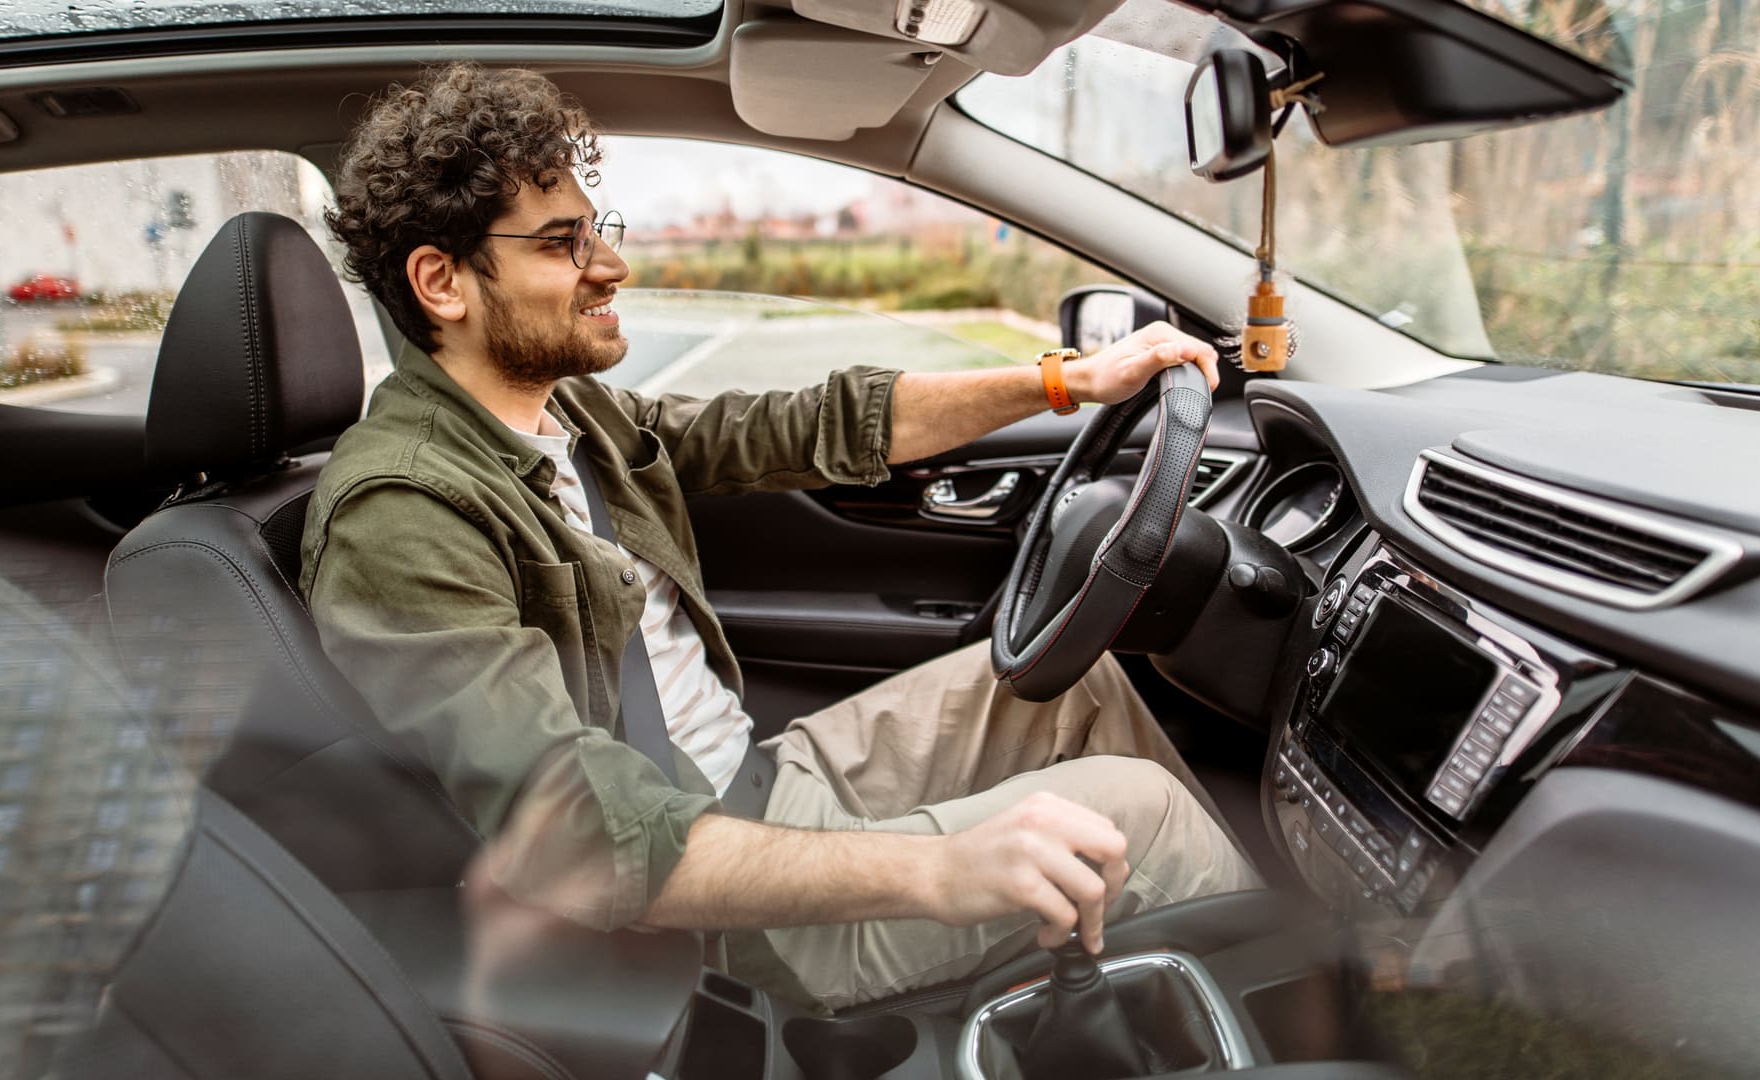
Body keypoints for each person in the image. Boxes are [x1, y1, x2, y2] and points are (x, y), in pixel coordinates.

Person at [304, 61, 1257, 1010]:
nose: (611, 268)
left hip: (761, 772)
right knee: (1148, 820)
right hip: (717, 908)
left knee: (1078, 680)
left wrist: (1063, 382)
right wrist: (938, 869)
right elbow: (585, 839)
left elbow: (800, 426)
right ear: (442, 282)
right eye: (563, 245)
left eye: (600, 232)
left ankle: (1172, 972)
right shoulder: (402, 512)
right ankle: (1291, 1013)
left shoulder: (571, 413)